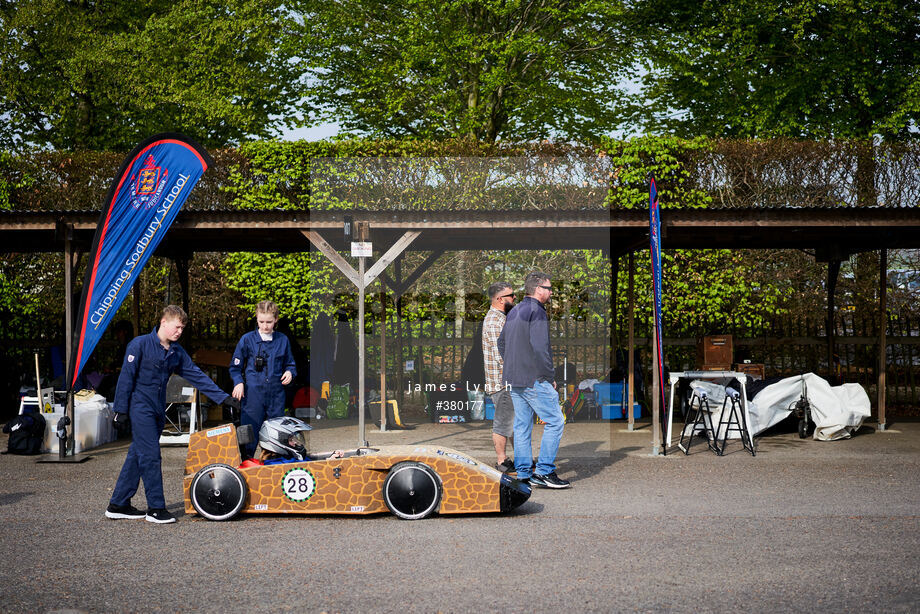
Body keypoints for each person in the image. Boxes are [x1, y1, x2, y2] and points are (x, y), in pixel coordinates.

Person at [105, 305, 240, 524]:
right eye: (176, 327)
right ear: (163, 322)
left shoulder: (176, 352)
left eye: (182, 328)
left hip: (158, 408)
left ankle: (118, 504)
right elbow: (126, 379)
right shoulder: (139, 345)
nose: (179, 332)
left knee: (137, 455)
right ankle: (156, 508)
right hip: (140, 408)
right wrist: (119, 411)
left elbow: (196, 375)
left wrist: (223, 398)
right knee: (150, 455)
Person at [498, 271, 570, 489]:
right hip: (533, 378)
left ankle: (523, 473)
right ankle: (545, 472)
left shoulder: (515, 310)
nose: (550, 292)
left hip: (515, 378)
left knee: (521, 425)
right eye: (548, 288)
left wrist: (514, 364)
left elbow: (501, 343)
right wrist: (549, 376)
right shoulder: (537, 311)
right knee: (556, 421)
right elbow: (540, 348)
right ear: (538, 289)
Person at [229, 301, 297, 458]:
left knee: (275, 436)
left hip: (276, 395)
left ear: (276, 320)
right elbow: (235, 367)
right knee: (248, 435)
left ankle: (272, 468)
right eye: (261, 322)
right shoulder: (247, 340)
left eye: (269, 322)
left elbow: (291, 364)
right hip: (253, 396)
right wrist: (238, 382)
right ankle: (246, 466)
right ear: (256, 319)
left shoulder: (282, 340)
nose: (265, 326)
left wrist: (289, 372)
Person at [482, 281, 516, 472]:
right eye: (511, 296)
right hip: (502, 382)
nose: (514, 299)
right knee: (503, 423)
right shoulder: (495, 322)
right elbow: (501, 356)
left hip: (504, 382)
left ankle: (520, 458)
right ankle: (502, 461)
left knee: (512, 421)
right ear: (500, 299)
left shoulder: (500, 318)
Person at [243, 416, 344, 465]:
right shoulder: (276, 466)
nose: (295, 442)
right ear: (278, 439)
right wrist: (327, 463)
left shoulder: (285, 460)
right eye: (291, 439)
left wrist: (330, 458)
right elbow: (308, 467)